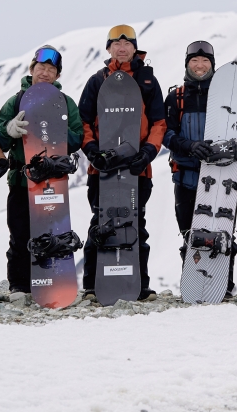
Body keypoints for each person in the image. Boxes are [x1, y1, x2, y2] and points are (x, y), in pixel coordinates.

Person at [77, 25, 167, 300]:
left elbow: (159, 123)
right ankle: (93, 285)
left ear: (135, 48)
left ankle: (139, 285)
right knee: (101, 221)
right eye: (116, 43)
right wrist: (92, 151)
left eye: (127, 43)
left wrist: (148, 153)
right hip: (101, 168)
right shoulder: (97, 81)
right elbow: (83, 122)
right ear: (109, 49)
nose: (122, 47)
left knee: (135, 224)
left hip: (138, 169)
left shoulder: (147, 80)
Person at [162, 41, 237, 296]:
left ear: (212, 65)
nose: (200, 66)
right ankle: (194, 285)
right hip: (186, 176)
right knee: (190, 234)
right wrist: (189, 146)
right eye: (194, 61)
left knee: (224, 233)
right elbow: (166, 134)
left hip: (224, 176)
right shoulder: (176, 97)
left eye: (205, 61)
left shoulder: (227, 97)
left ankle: (222, 285)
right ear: (187, 64)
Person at [0, 46, 83, 294]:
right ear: (31, 70)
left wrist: (61, 131)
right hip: (22, 181)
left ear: (57, 75)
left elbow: (77, 138)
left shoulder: (66, 103)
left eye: (51, 69)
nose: (45, 73)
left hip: (53, 182)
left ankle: (51, 284)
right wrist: (8, 129)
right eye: (41, 68)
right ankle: (20, 286)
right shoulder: (16, 101)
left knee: (52, 234)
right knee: (20, 235)